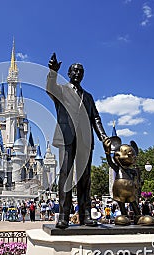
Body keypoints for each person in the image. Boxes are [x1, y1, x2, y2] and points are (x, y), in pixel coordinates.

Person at [46, 53, 110, 228]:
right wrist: (52, 72)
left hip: (85, 140)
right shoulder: (61, 90)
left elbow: (95, 118)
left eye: (80, 71)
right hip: (66, 137)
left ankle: (85, 214)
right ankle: (64, 215)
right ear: (68, 73)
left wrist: (103, 136)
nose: (77, 74)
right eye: (74, 71)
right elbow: (50, 88)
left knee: (85, 177)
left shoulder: (88, 97)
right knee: (66, 174)